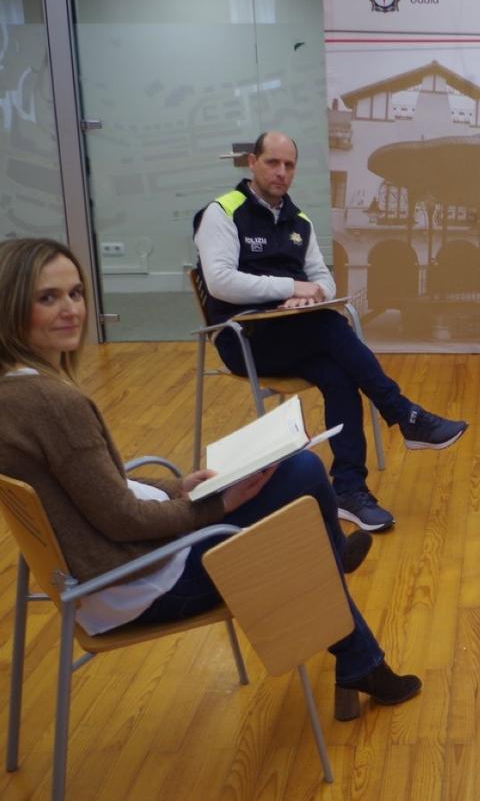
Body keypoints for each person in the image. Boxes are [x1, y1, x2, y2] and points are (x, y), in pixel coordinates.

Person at [0, 237, 421, 719]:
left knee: (293, 490)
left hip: (97, 581)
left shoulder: (14, 394)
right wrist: (214, 505)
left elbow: (93, 486)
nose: (70, 309)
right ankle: (341, 581)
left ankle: (358, 651)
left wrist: (177, 487)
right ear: (12, 306)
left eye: (75, 293)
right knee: (302, 477)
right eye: (48, 298)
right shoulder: (56, 405)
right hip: (141, 584)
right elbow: (122, 519)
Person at [193, 131, 468, 532]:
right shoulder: (222, 212)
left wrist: (311, 294)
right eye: (272, 162)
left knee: (339, 372)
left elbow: (324, 279)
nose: (281, 172)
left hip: (295, 334)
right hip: (244, 339)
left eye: (289, 165)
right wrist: (290, 288)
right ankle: (405, 414)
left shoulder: (299, 221)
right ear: (252, 163)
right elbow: (220, 282)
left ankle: (349, 490)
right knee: (328, 325)